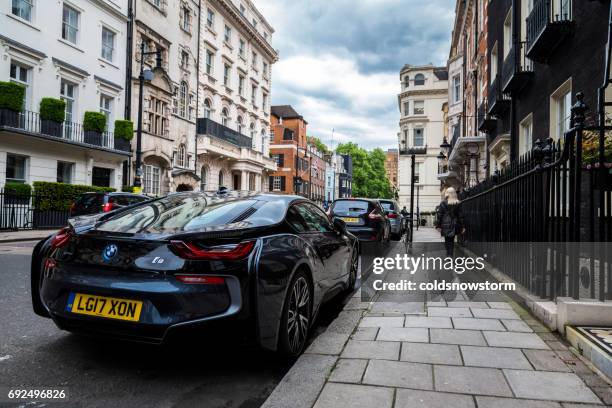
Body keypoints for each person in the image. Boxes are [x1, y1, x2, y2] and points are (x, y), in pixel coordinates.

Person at [435, 187, 464, 257]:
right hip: (454, 224)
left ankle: (449, 254)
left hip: (445, 224)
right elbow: (461, 216)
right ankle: (450, 255)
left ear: (447, 193)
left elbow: (440, 215)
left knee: (447, 240)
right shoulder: (458, 203)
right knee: (451, 240)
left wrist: (438, 225)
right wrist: (463, 226)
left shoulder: (443, 203)